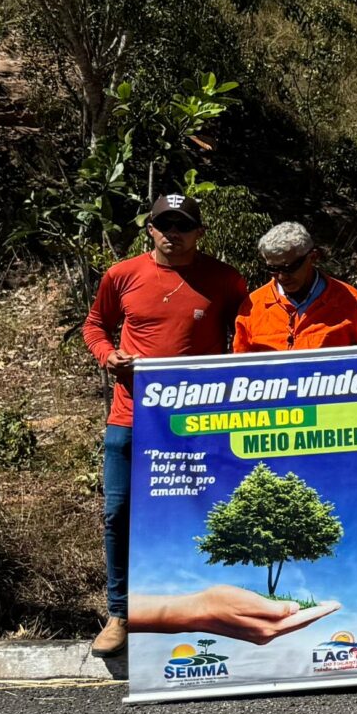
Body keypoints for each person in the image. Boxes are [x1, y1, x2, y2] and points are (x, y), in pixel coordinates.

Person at [78, 194, 248, 656]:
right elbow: (94, 325)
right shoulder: (122, 275)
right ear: (150, 229)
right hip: (132, 417)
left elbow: (250, 338)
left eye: (183, 225)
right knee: (119, 514)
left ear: (200, 232)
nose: (173, 233)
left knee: (203, 513)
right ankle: (120, 614)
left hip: (200, 421)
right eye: (164, 224)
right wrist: (107, 355)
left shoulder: (226, 280)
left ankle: (206, 611)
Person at [231, 222, 357, 370]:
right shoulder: (254, 305)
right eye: (273, 269)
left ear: (313, 257)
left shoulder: (349, 300)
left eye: (289, 268)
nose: (282, 277)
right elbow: (238, 367)